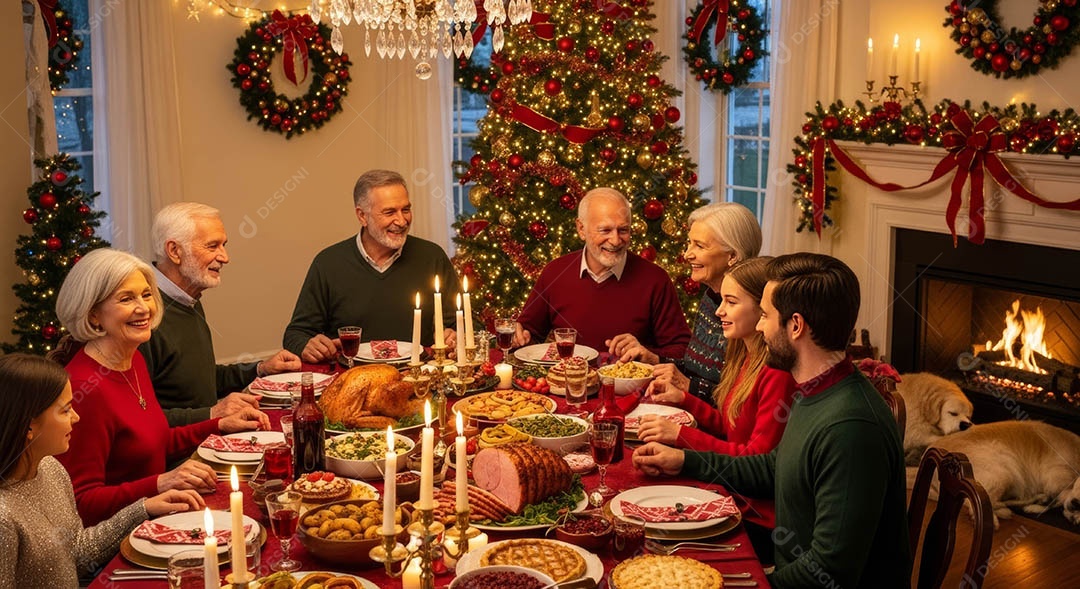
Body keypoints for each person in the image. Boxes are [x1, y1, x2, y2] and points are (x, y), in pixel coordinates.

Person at [633, 253, 911, 589]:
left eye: (765, 315)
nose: (761, 326)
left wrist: (751, 585)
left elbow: (828, 573)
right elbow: (773, 468)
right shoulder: (815, 389)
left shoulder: (851, 428)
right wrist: (685, 460)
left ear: (795, 326)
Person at [54, 248, 268, 526]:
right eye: (126, 299)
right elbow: (81, 504)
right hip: (118, 538)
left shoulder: (134, 359)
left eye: (146, 295)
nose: (144, 308)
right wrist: (159, 484)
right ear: (93, 314)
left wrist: (219, 424)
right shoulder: (85, 388)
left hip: (156, 515)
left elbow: (155, 442)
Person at [0, 354, 203, 587]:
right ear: (28, 426)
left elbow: (76, 551)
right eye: (65, 411)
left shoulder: (50, 468)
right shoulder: (4, 517)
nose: (76, 417)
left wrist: (143, 508)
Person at [140, 202, 301, 426]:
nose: (225, 257)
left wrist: (261, 368)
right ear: (175, 251)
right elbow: (140, 420)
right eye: (212, 246)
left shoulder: (188, 297)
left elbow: (200, 381)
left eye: (223, 245)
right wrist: (212, 414)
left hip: (203, 438)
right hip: (178, 456)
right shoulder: (142, 316)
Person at [284, 169, 459, 363]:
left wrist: (455, 336)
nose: (401, 221)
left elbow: (463, 323)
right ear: (362, 216)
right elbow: (295, 334)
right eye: (389, 212)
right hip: (352, 379)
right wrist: (306, 344)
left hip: (418, 377)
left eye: (406, 210)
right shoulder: (328, 263)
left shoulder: (432, 256)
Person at [513, 187, 690, 358]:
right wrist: (518, 336)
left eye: (623, 230)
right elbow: (528, 334)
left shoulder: (655, 279)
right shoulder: (555, 272)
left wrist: (649, 354)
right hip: (567, 384)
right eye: (605, 230)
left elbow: (682, 350)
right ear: (581, 229)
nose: (615, 240)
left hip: (631, 387)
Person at [616, 202, 762, 404]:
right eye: (689, 243)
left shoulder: (751, 311)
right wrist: (655, 360)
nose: (687, 254)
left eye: (700, 246)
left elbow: (743, 402)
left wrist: (689, 387)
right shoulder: (711, 295)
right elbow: (697, 368)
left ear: (733, 256)